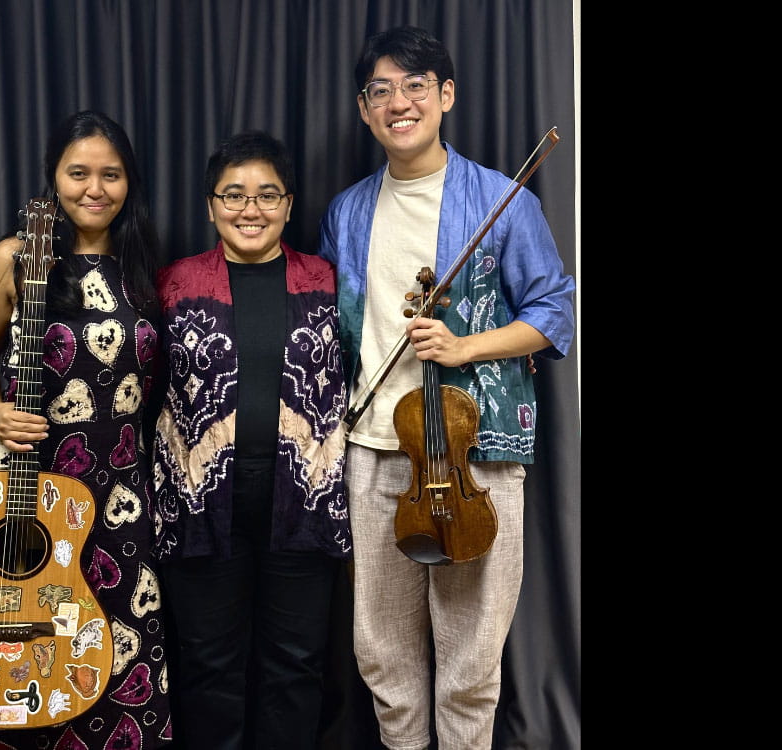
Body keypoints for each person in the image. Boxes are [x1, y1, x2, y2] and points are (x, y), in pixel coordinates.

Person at [317, 25, 576, 750]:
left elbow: (554, 312)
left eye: (415, 86)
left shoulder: (502, 199)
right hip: (373, 448)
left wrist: (465, 347)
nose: (399, 102)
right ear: (364, 109)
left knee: (471, 654)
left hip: (472, 450)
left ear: (447, 95)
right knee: (380, 649)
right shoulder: (346, 211)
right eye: (381, 90)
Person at [0, 110, 173, 750]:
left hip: (117, 494)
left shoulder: (141, 265)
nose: (95, 189)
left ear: (129, 182)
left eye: (111, 174)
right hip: (26, 489)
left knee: (111, 649)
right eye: (78, 173)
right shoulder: (15, 259)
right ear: (53, 178)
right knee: (12, 643)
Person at [151, 130, 351, 749]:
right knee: (208, 663)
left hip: (304, 497)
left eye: (267, 195)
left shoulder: (326, 279)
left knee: (296, 662)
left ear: (289, 205)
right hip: (200, 501)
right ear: (210, 205)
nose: (250, 209)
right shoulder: (174, 283)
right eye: (233, 195)